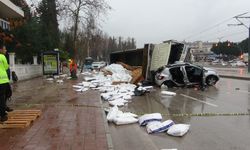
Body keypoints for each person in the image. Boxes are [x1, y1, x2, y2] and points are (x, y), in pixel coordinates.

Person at [0, 42, 11, 122]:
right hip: (3, 80)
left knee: (4, 95)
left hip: (3, 80)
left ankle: (4, 109)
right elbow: (6, 67)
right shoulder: (2, 56)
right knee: (3, 97)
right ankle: (3, 115)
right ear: (0, 50)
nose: (6, 50)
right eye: (4, 49)